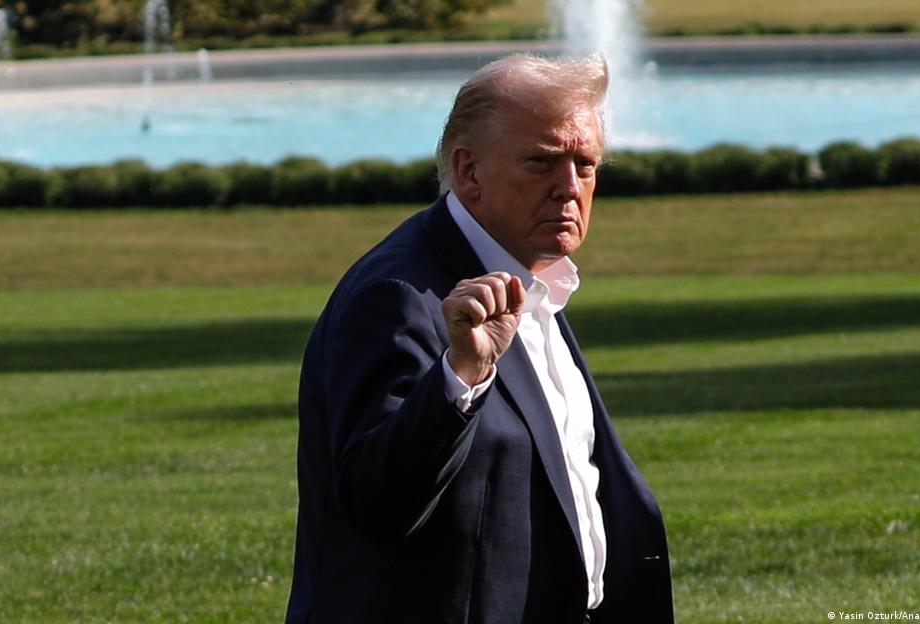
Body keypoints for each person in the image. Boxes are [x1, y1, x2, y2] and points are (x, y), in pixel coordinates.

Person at [285, 53, 673, 624]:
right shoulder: (397, 295)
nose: (570, 188)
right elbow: (376, 507)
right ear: (469, 172)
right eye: (542, 162)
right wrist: (459, 377)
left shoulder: (529, 274)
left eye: (585, 164)